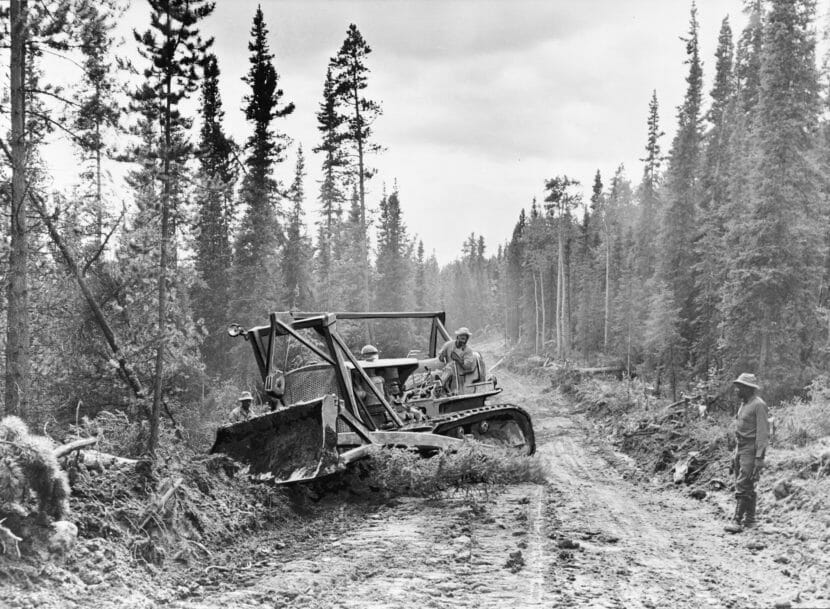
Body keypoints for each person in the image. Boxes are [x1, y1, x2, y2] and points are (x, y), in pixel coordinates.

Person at [724, 373, 770, 533]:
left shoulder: (759, 405)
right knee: (745, 482)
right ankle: (750, 520)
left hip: (751, 450)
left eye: (740, 388)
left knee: (743, 483)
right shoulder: (744, 404)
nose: (737, 391)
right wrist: (735, 454)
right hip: (741, 448)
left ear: (748, 389)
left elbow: (763, 434)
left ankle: (737, 521)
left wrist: (759, 457)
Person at [437, 327, 476, 394]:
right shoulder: (448, 345)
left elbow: (467, 366)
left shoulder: (468, 350)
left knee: (451, 367)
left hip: (460, 374)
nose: (463, 341)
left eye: (465, 339)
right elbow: (440, 358)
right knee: (447, 369)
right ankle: (439, 386)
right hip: (447, 372)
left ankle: (443, 386)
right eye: (462, 339)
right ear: (457, 337)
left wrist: (458, 359)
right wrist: (442, 356)